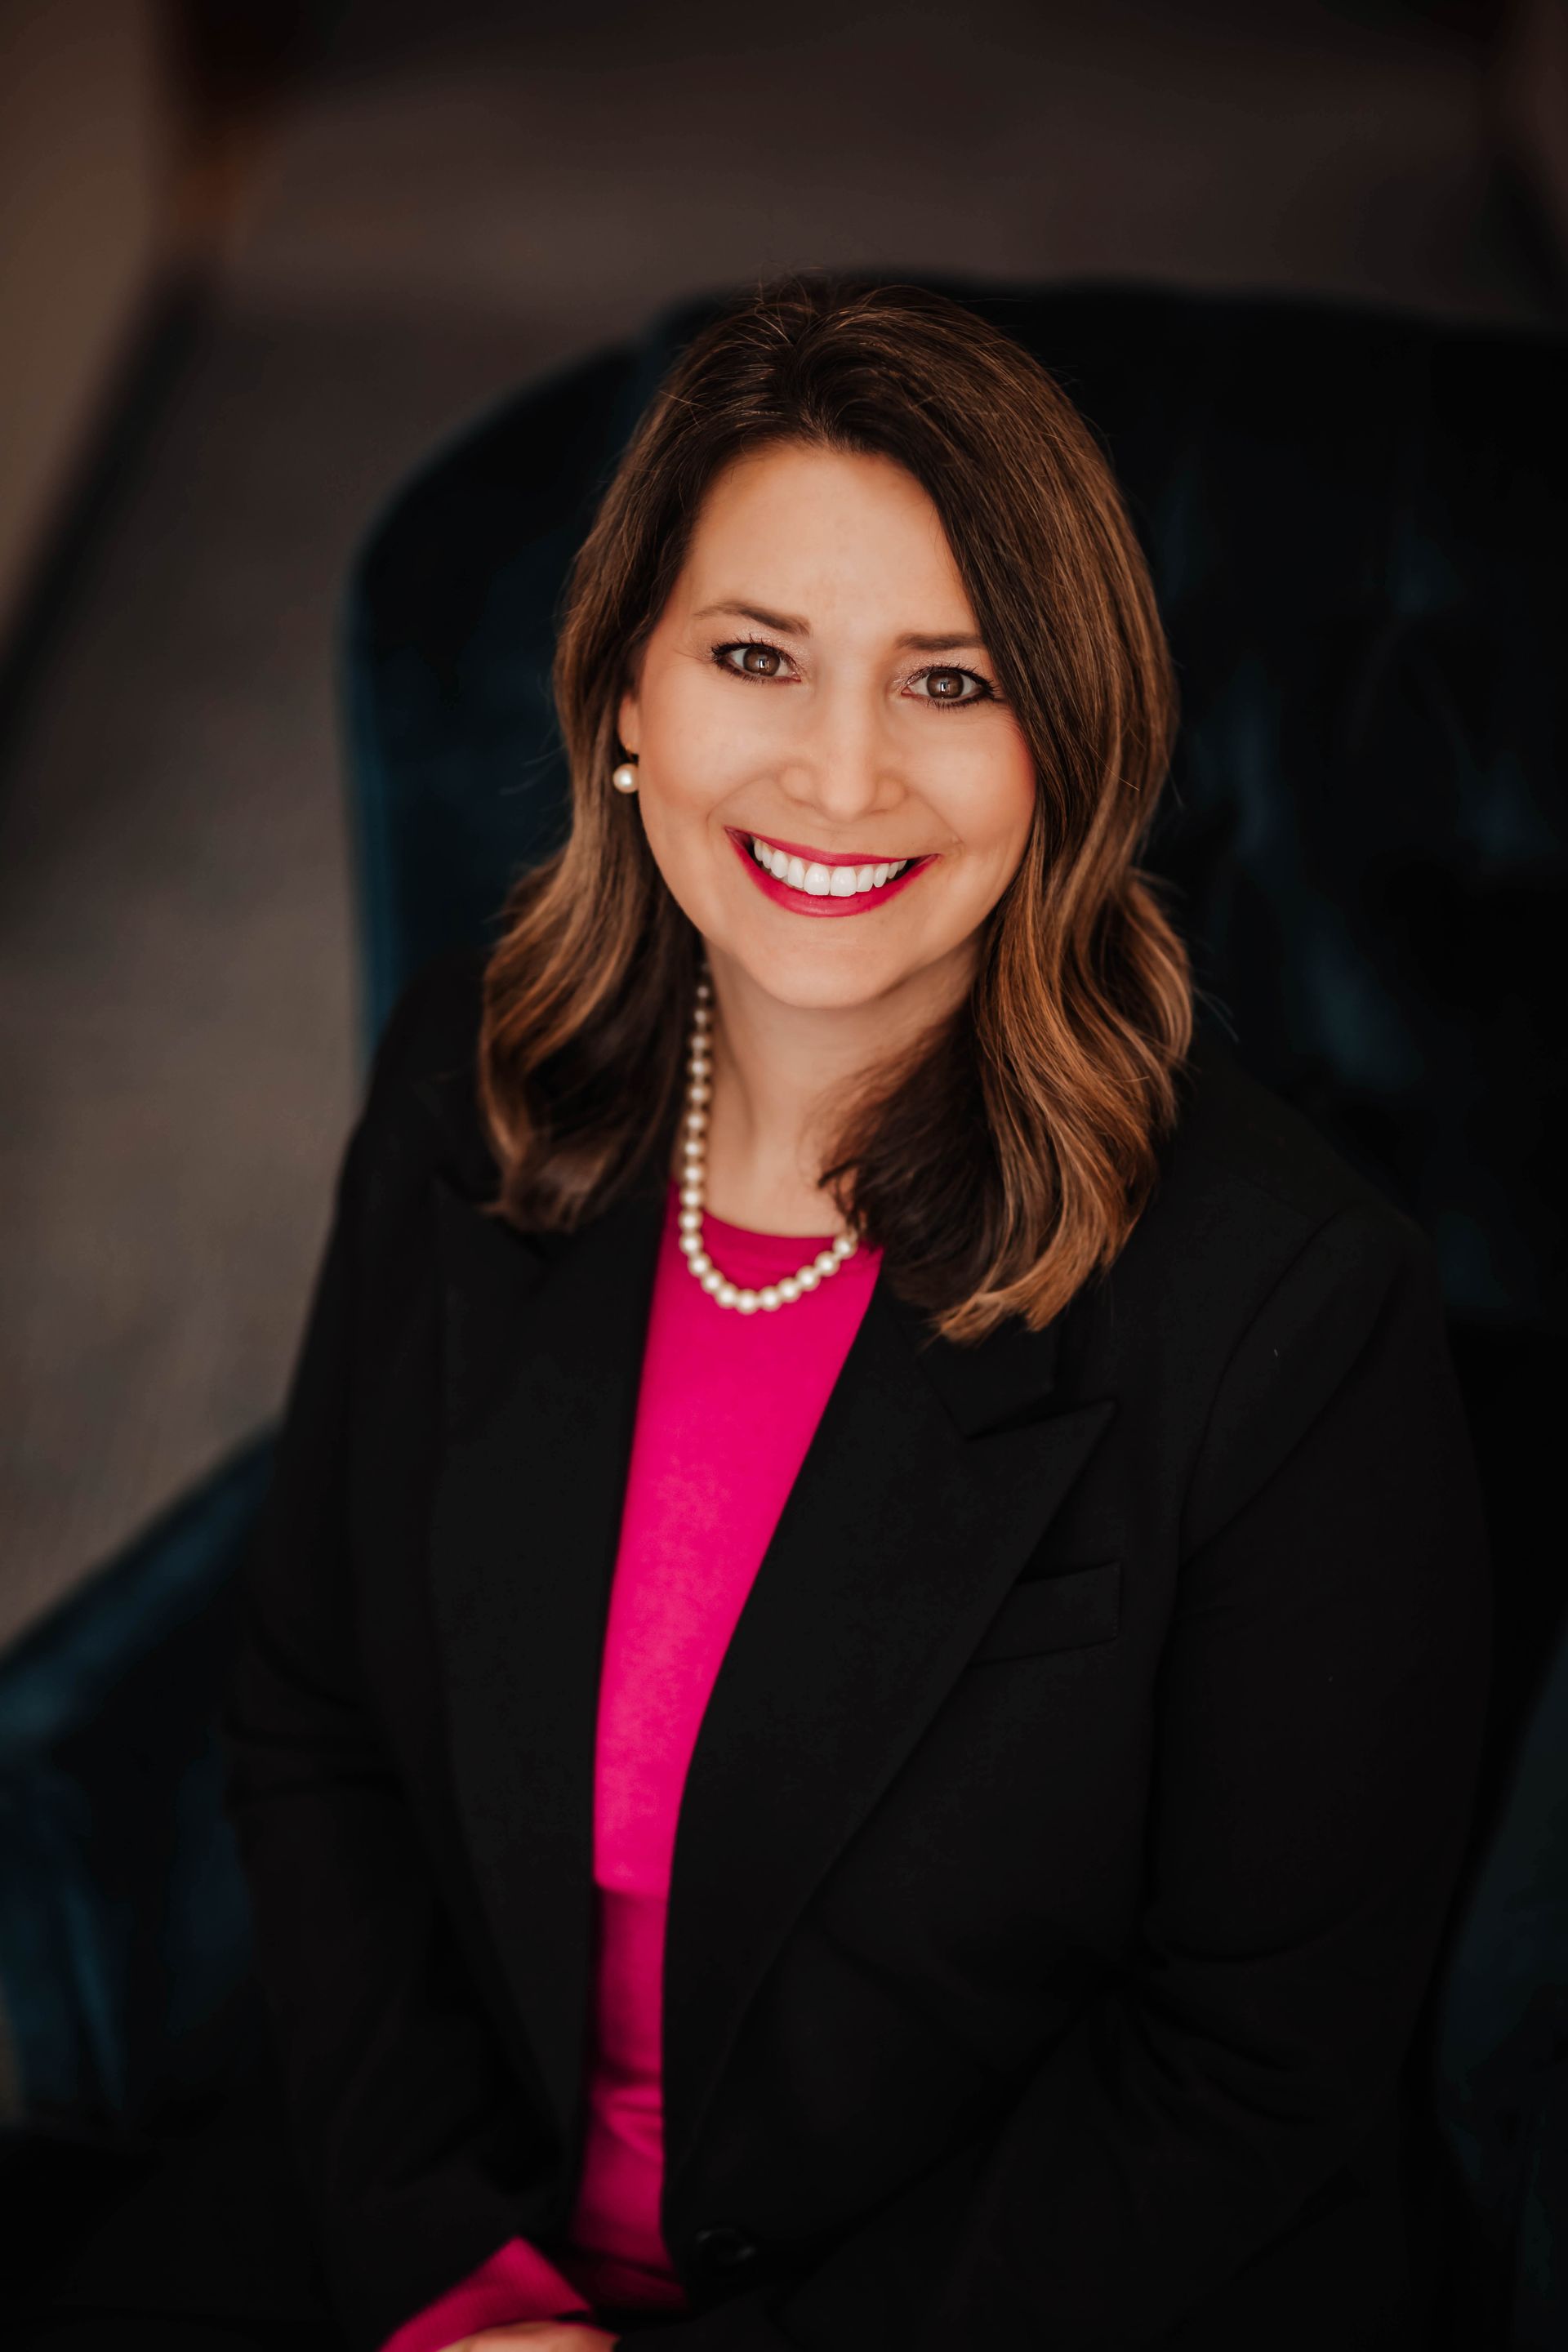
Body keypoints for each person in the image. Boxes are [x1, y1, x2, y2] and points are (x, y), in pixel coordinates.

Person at [38, 278, 1491, 2352]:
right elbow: (314, 1714)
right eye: (754, 657)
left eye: (952, 682)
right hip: (450, 2238)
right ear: (626, 700)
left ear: (1069, 750)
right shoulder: (472, 1085)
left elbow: (1246, 2071)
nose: (837, 775)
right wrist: (457, 2282)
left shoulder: (1291, 1311)